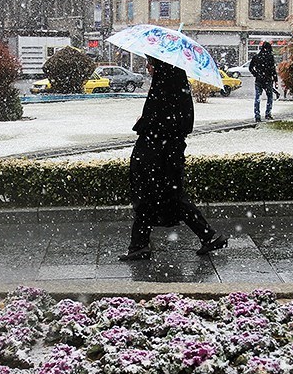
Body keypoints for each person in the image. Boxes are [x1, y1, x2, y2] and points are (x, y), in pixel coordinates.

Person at [118, 55, 228, 261]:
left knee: (151, 197)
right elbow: (173, 121)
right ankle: (207, 236)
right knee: (167, 198)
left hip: (157, 154)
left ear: (161, 66)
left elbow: (160, 123)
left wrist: (143, 122)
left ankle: (140, 245)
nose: (148, 68)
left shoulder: (165, 88)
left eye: (151, 64)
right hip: (165, 154)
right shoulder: (174, 86)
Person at [249, 41, 279, 122]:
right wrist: (276, 80)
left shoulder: (256, 57)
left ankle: (257, 115)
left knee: (257, 98)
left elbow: (250, 68)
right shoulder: (270, 57)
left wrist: (256, 74)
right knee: (270, 97)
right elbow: (273, 70)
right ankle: (268, 114)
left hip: (259, 80)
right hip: (268, 80)